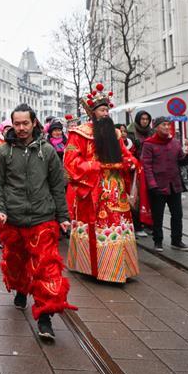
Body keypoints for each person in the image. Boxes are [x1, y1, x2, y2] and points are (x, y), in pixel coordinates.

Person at [0, 104, 76, 341]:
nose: (21, 128)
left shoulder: (47, 151)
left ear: (34, 122)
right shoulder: (3, 151)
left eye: (25, 123)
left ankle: (45, 317)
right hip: (13, 219)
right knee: (16, 262)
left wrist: (63, 216)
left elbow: (58, 186)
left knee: (46, 268)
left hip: (42, 218)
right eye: (16, 124)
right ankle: (20, 288)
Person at [63, 83, 142, 283]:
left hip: (116, 187)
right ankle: (95, 268)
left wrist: (131, 164)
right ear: (92, 112)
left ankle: (118, 268)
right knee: (98, 227)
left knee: (118, 226)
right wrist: (96, 165)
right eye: (101, 110)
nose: (105, 113)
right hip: (94, 187)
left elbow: (126, 155)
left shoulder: (115, 134)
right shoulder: (80, 133)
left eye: (107, 110)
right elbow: (70, 162)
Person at [141, 118, 188, 252]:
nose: (167, 127)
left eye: (168, 125)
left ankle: (177, 240)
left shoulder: (174, 142)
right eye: (164, 124)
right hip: (157, 185)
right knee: (158, 216)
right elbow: (146, 165)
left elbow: (181, 160)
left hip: (174, 184)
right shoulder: (149, 144)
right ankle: (158, 241)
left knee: (177, 214)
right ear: (156, 127)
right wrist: (152, 184)